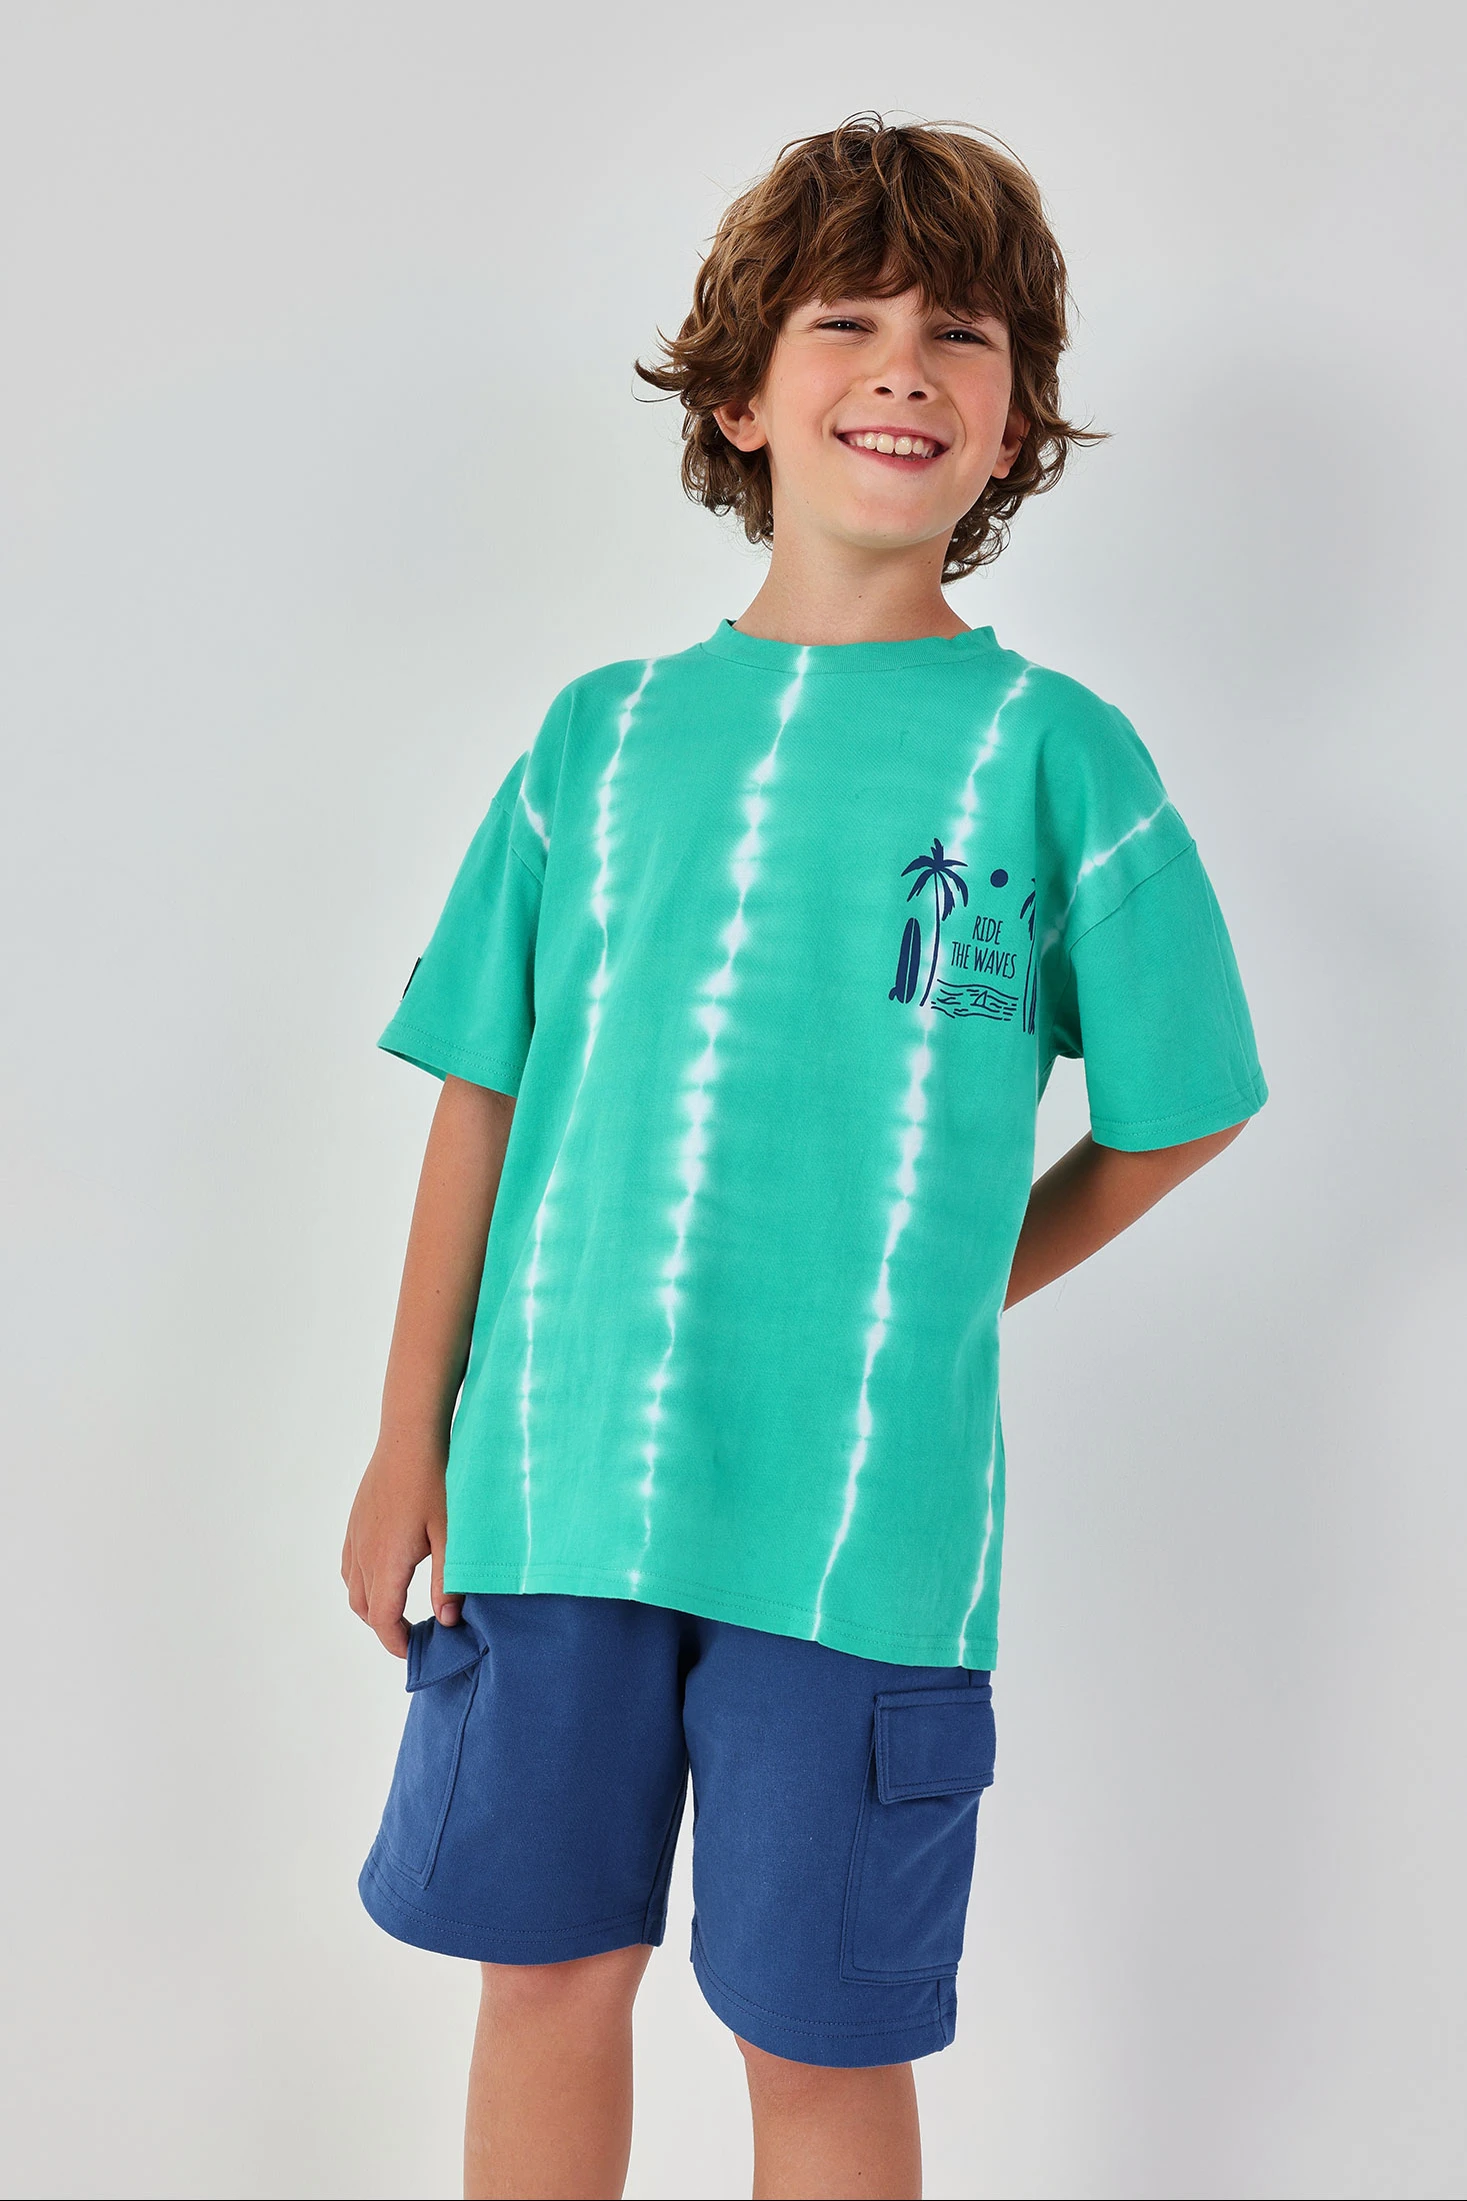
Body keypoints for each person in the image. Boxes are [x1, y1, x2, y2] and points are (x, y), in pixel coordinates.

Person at [341, 115, 1267, 2201]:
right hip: (553, 1484)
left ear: (1014, 418)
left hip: (863, 1529)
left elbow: (1181, 1108)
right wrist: (409, 1435)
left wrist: (945, 1279)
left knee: (817, 2029)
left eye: (962, 335)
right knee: (542, 1972)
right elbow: (479, 1091)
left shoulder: (1052, 755)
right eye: (846, 322)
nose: (903, 368)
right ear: (741, 397)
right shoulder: (596, 740)